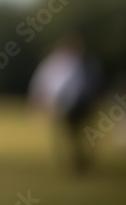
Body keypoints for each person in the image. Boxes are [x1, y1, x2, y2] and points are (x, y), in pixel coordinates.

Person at [28, 36, 102, 173]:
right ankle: (76, 161)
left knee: (79, 135)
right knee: (73, 135)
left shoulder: (79, 63)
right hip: (69, 106)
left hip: (76, 105)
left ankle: (79, 161)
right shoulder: (65, 63)